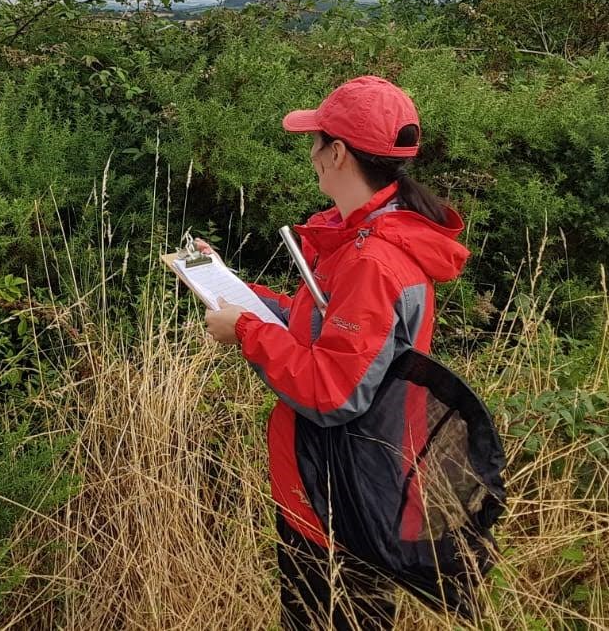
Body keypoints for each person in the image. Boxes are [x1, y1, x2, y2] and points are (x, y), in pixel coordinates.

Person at [200, 76, 470, 631]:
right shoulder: (364, 238)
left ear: (339, 153)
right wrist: (234, 290)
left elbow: (333, 391)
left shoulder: (371, 261)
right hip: (342, 484)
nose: (312, 154)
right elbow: (322, 333)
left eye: (316, 141)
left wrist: (246, 331)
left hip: (343, 500)